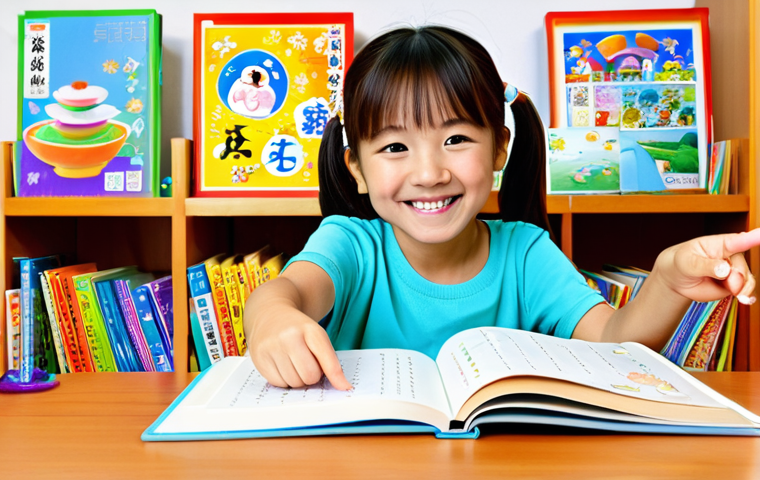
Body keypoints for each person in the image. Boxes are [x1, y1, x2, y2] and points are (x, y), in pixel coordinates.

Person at [243, 25, 759, 391]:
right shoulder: (350, 243)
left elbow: (614, 339)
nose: (428, 173)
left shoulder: (526, 252)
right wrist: (270, 320)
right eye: (395, 147)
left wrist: (667, 280)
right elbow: (284, 292)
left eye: (457, 139)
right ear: (356, 167)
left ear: (499, 149)